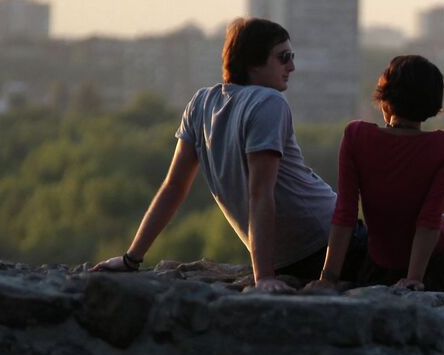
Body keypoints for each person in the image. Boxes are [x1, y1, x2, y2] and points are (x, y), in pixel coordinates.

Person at [91, 18, 360, 291]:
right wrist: (264, 277)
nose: (291, 66)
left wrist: (131, 259)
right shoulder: (269, 102)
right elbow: (260, 194)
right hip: (331, 243)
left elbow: (173, 187)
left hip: (295, 256)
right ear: (253, 62)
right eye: (284, 57)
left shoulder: (201, 103)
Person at [312, 54, 444, 292]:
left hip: (379, 263)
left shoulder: (356, 136)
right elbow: (428, 220)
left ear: (385, 100)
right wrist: (414, 279)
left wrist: (328, 278)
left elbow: (345, 213)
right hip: (437, 261)